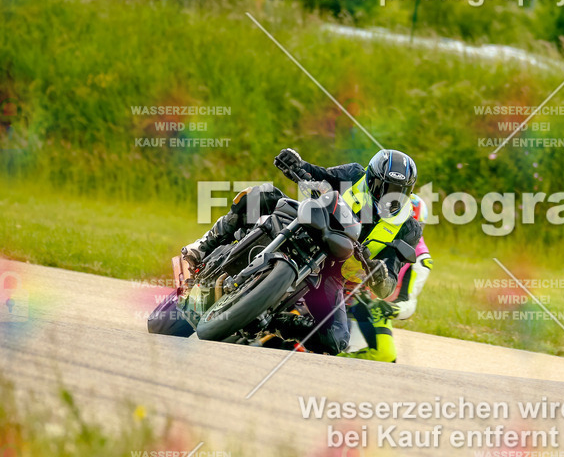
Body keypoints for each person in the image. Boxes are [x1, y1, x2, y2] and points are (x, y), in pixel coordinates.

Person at [176, 148, 422, 355]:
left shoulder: (408, 228)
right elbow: (319, 175)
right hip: (308, 225)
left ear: (408, 191)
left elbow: (389, 282)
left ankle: (274, 322)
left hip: (332, 273)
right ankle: (203, 246)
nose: (388, 195)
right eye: (383, 186)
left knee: (336, 340)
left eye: (397, 190)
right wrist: (296, 164)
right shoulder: (354, 174)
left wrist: (380, 274)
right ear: (370, 178)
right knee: (263, 195)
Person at [340, 195, 432, 363]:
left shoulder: (421, 260)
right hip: (341, 290)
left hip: (368, 311)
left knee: (386, 357)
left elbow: (409, 304)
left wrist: (389, 308)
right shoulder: (374, 231)